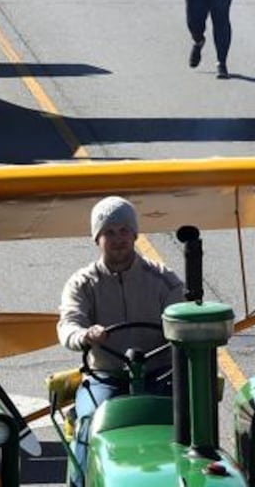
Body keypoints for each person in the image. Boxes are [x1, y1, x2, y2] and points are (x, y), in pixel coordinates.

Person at [57, 197, 184, 477]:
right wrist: (85, 335)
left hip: (159, 375)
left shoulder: (164, 280)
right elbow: (68, 325)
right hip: (107, 377)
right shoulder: (82, 283)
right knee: (88, 424)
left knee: (193, 420)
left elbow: (184, 319)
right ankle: (79, 481)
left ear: (135, 234)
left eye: (124, 230)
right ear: (97, 239)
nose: (118, 239)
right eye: (109, 232)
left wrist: (182, 332)